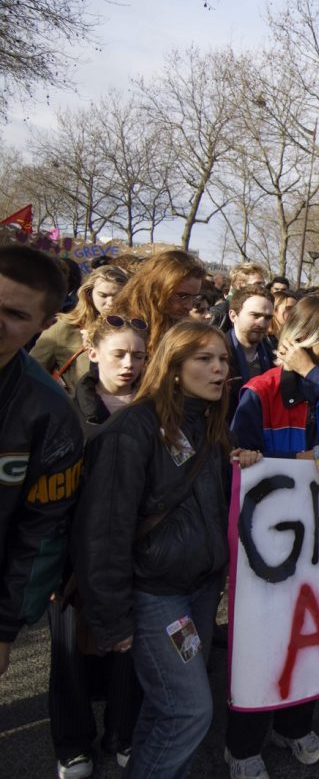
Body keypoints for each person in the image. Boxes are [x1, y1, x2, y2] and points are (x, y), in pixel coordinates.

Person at [72, 321, 263, 778]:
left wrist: (242, 465)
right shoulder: (132, 429)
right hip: (155, 597)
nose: (219, 370)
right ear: (173, 368)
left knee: (163, 710)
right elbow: (103, 530)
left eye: (222, 360)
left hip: (197, 591)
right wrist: (112, 617)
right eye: (204, 360)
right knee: (189, 711)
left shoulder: (212, 425)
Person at [226, 296, 319, 776]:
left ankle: (293, 726)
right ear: (307, 337)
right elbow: (238, 458)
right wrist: (273, 460)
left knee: (314, 636)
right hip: (273, 544)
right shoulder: (261, 390)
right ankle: (243, 744)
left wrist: (314, 374)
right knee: (263, 638)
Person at [52, 315, 147, 777]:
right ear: (93, 354)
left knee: (129, 651)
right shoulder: (64, 409)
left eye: (138, 355)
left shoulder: (156, 409)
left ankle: (123, 732)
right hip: (70, 555)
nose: (129, 365)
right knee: (70, 651)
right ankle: (73, 744)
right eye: (119, 354)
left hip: (137, 551)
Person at [0, 246, 85, 684]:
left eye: (14, 314)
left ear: (44, 325)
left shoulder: (51, 414)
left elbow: (41, 532)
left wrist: (6, 628)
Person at [31, 264, 129, 395]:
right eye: (103, 295)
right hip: (74, 410)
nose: (110, 302)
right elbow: (33, 372)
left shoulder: (137, 327)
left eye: (117, 296)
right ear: (89, 294)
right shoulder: (64, 327)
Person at [109, 250, 206, 356]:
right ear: (155, 289)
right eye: (182, 296)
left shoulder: (182, 331)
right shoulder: (119, 327)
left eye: (194, 297)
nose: (189, 306)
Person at [226, 284, 276, 416]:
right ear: (233, 315)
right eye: (255, 315)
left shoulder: (273, 355)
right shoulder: (217, 354)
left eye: (268, 317)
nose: (262, 323)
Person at [209, 262, 266, 330]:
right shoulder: (219, 314)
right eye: (257, 284)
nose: (262, 288)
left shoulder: (263, 313)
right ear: (239, 285)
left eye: (263, 284)